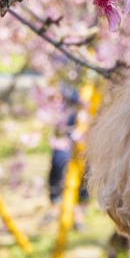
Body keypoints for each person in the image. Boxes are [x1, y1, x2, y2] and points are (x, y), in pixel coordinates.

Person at [40, 88, 90, 230]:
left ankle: (80, 209)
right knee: (58, 160)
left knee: (86, 164)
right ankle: (55, 204)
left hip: (89, 104)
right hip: (66, 107)